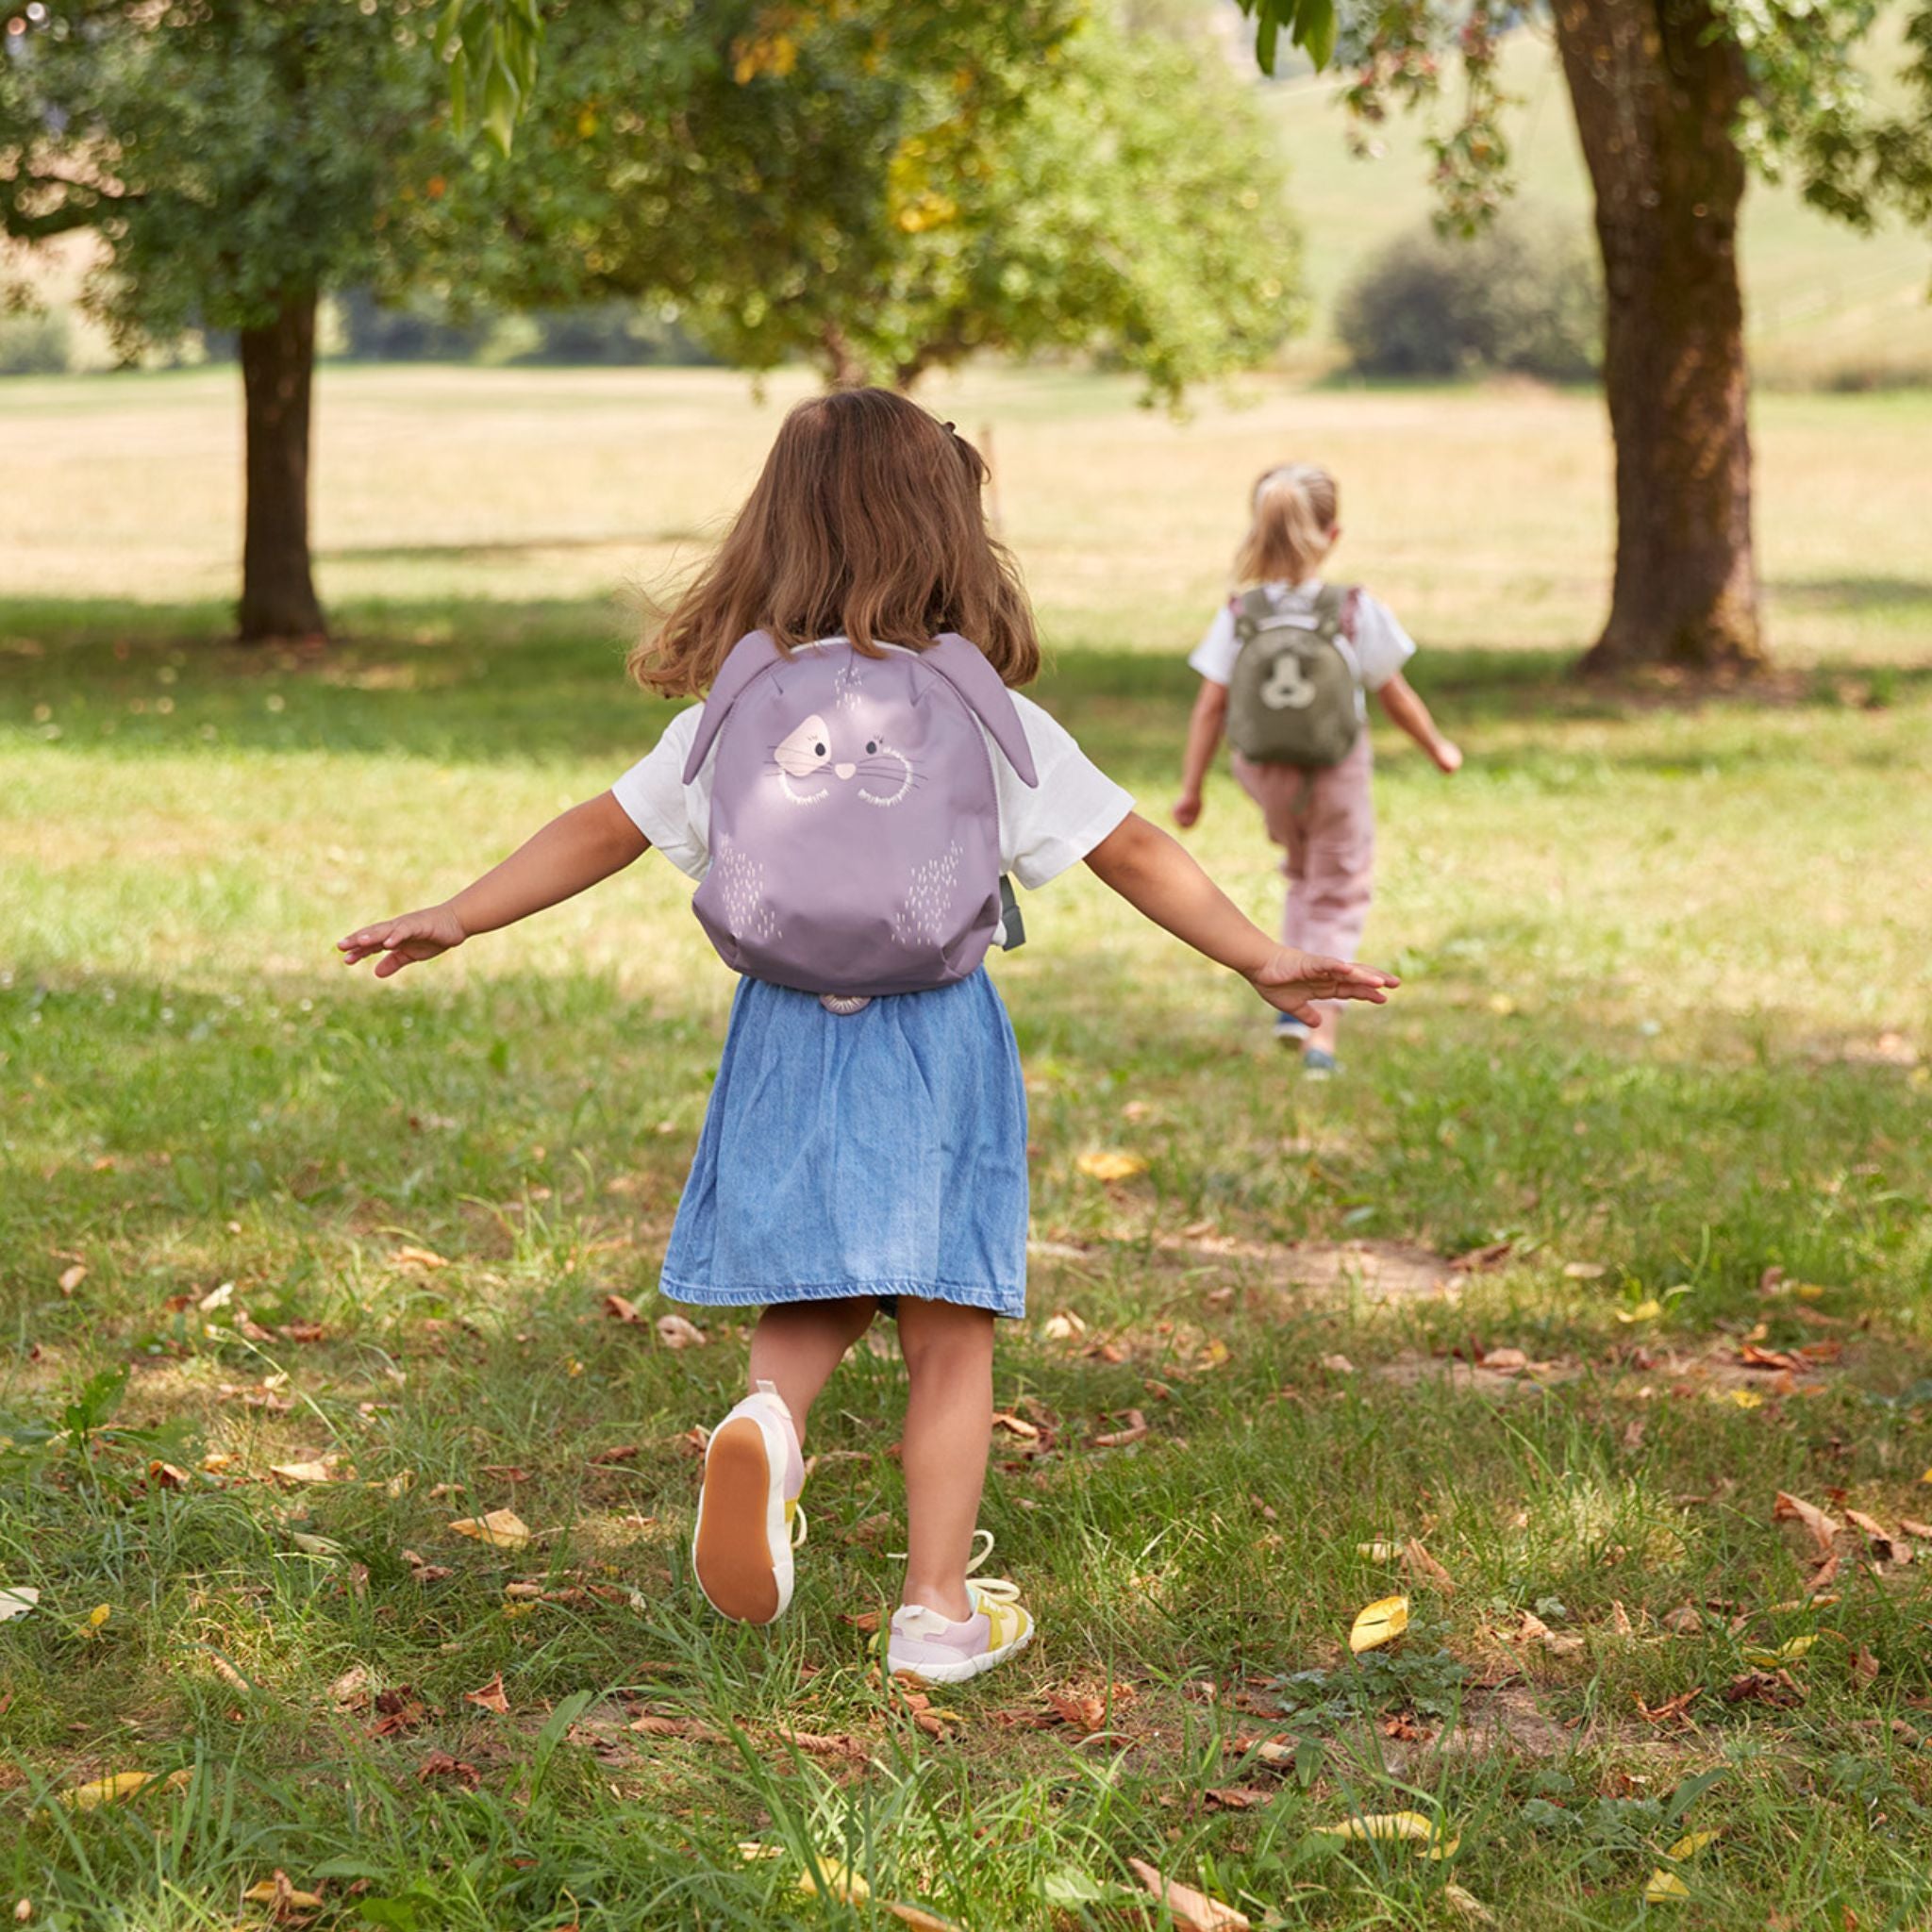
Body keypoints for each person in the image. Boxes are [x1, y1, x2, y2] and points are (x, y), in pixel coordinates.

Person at [338, 391, 1397, 1685]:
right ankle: (936, 1611)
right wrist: (1261, 955)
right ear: (950, 529)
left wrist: (460, 912)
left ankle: (771, 1421)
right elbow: (1131, 848)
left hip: (783, 1028)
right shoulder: (979, 710)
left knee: (813, 1290)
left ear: (774, 529)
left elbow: (601, 827)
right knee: (950, 1328)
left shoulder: (739, 707)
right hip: (936, 1034)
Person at [1174, 462, 1459, 1077]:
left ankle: (1287, 995)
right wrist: (1438, 747)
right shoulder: (1353, 609)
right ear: (1333, 535)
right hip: (1334, 770)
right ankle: (1320, 1038)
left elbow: (1210, 706)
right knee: (1338, 889)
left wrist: (1192, 789)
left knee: (1304, 875)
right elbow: (1394, 694)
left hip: (1264, 773)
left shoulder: (1240, 611)